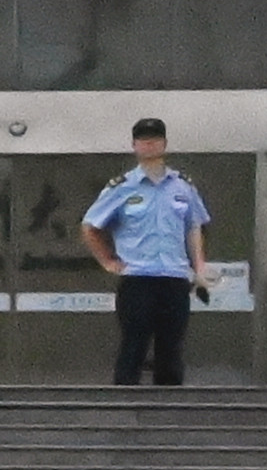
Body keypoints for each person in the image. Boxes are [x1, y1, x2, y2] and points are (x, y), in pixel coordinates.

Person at [93, 117, 219, 389]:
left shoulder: (182, 185)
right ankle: (125, 414)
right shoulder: (122, 186)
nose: (149, 145)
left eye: (154, 139)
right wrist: (107, 261)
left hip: (174, 278)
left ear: (164, 144)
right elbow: (91, 226)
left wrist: (199, 269)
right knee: (133, 346)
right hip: (137, 278)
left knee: (171, 349)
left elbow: (194, 226)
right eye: (143, 140)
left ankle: (169, 417)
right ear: (134, 145)